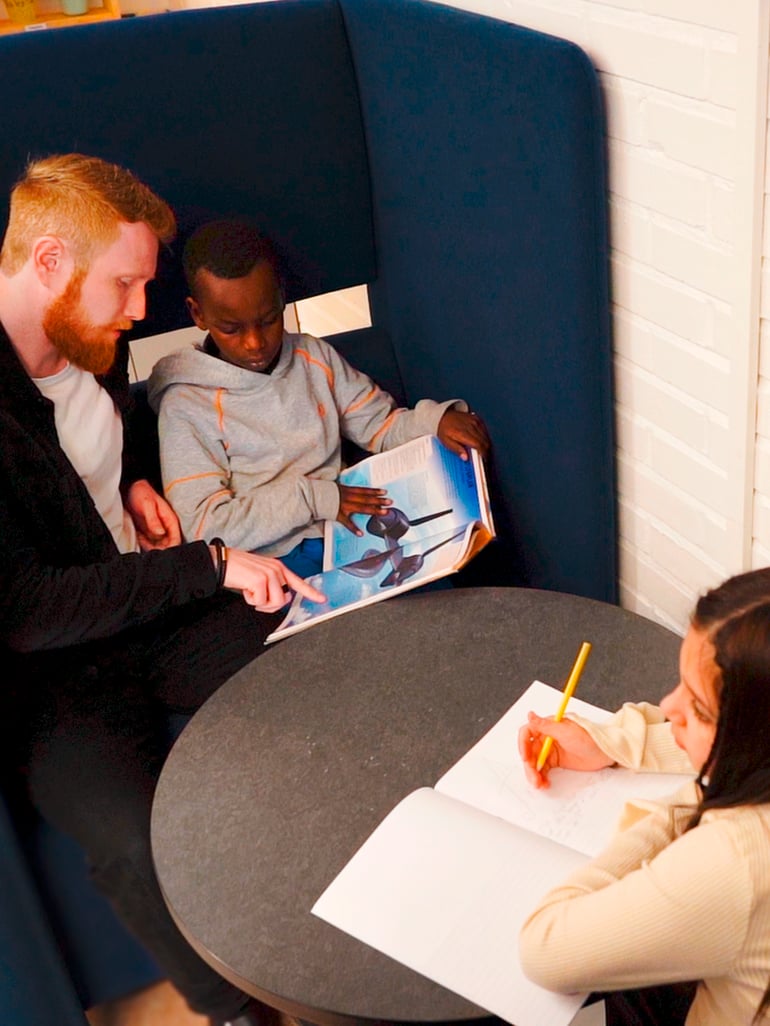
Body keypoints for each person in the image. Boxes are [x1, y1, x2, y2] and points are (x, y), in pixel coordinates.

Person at [0, 154, 325, 1026]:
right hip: (51, 680)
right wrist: (211, 563)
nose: (142, 311)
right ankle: (238, 1015)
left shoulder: (88, 341)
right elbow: (26, 609)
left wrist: (136, 483)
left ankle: (351, 908)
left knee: (318, 649)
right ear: (48, 265)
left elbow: (107, 443)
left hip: (149, 614)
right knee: (134, 841)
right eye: (126, 285)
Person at [146, 219, 491, 578]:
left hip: (348, 531)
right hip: (268, 562)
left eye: (268, 320)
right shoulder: (186, 405)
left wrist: (434, 422)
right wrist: (314, 499)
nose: (254, 342)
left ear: (282, 298)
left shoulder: (313, 357)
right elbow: (203, 528)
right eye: (231, 329)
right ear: (198, 314)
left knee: (437, 582)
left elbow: (380, 424)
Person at [517, 567, 770, 1026]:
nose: (668, 707)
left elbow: (544, 948)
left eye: (697, 708)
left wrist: (687, 801)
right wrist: (613, 744)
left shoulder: (740, 860)